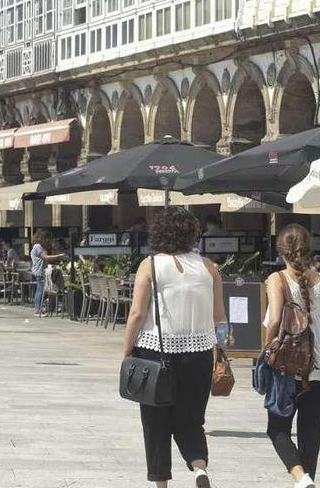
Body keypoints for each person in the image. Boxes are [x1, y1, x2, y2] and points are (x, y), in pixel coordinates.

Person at [121, 207, 226, 488]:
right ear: (192, 233)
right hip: (200, 354)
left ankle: (162, 485)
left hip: (155, 353)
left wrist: (126, 350)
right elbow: (220, 318)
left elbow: (136, 314)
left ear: (159, 233)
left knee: (156, 424)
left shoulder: (151, 265)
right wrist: (222, 347)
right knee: (191, 420)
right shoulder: (209, 268)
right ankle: (199, 468)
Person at [264, 224, 320, 488]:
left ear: (281, 251)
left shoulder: (277, 279)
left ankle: (301, 478)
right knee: (310, 437)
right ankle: (306, 480)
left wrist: (266, 352)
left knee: (277, 429)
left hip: (289, 365)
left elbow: (275, 320)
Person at [30, 231, 63, 317]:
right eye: (46, 239)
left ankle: (38, 308)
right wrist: (58, 256)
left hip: (38, 270)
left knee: (39, 289)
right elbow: (45, 257)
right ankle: (37, 310)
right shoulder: (38, 247)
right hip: (40, 271)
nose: (47, 241)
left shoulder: (37, 247)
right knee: (40, 290)